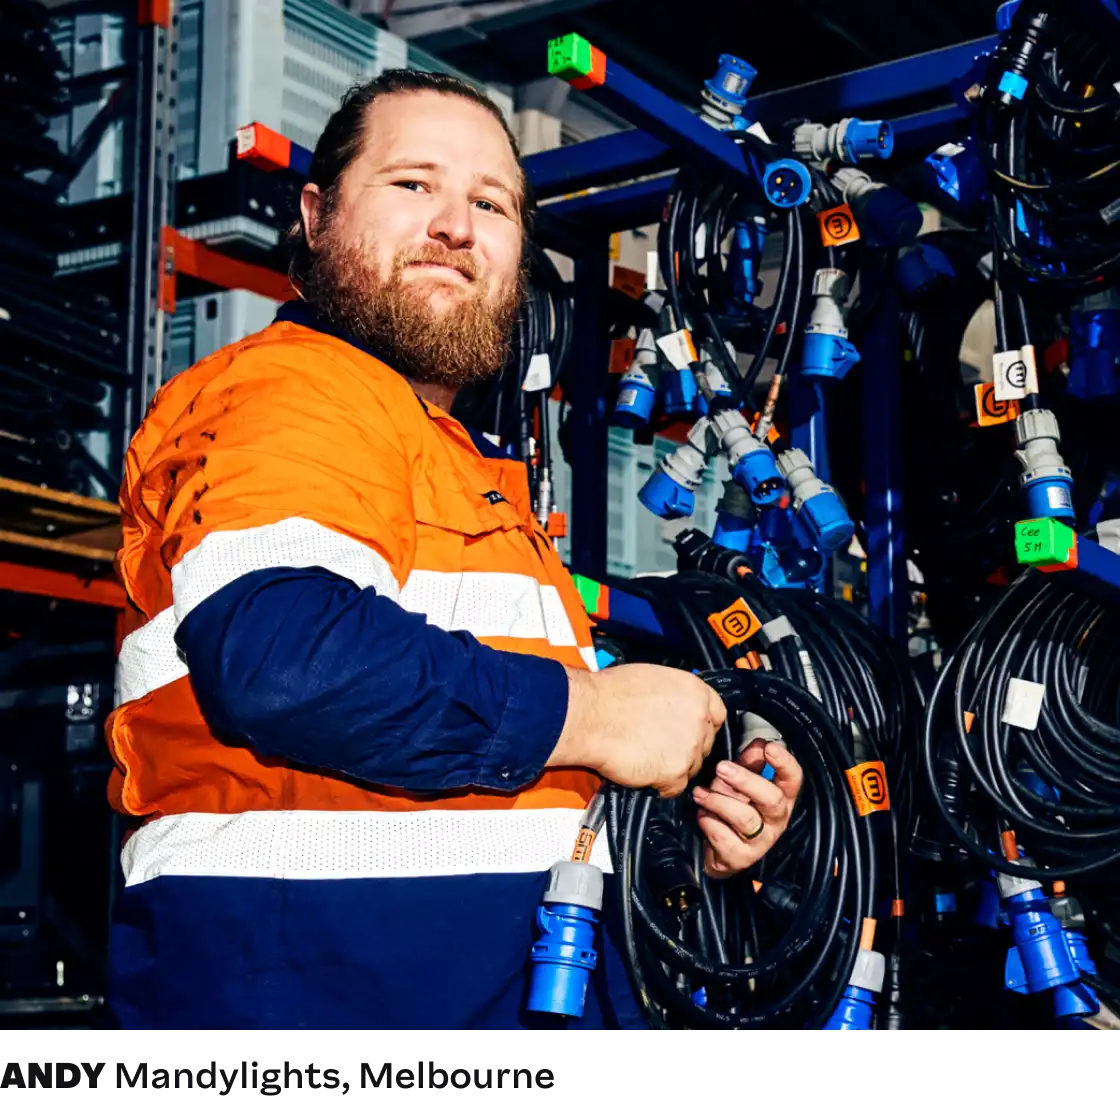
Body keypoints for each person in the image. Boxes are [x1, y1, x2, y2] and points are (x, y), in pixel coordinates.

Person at [104, 68, 802, 1030]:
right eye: (412, 184)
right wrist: (596, 716)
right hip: (317, 997)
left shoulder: (450, 461)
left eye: (490, 202)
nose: (456, 226)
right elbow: (287, 662)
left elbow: (482, 786)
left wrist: (687, 841)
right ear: (316, 214)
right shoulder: (295, 396)